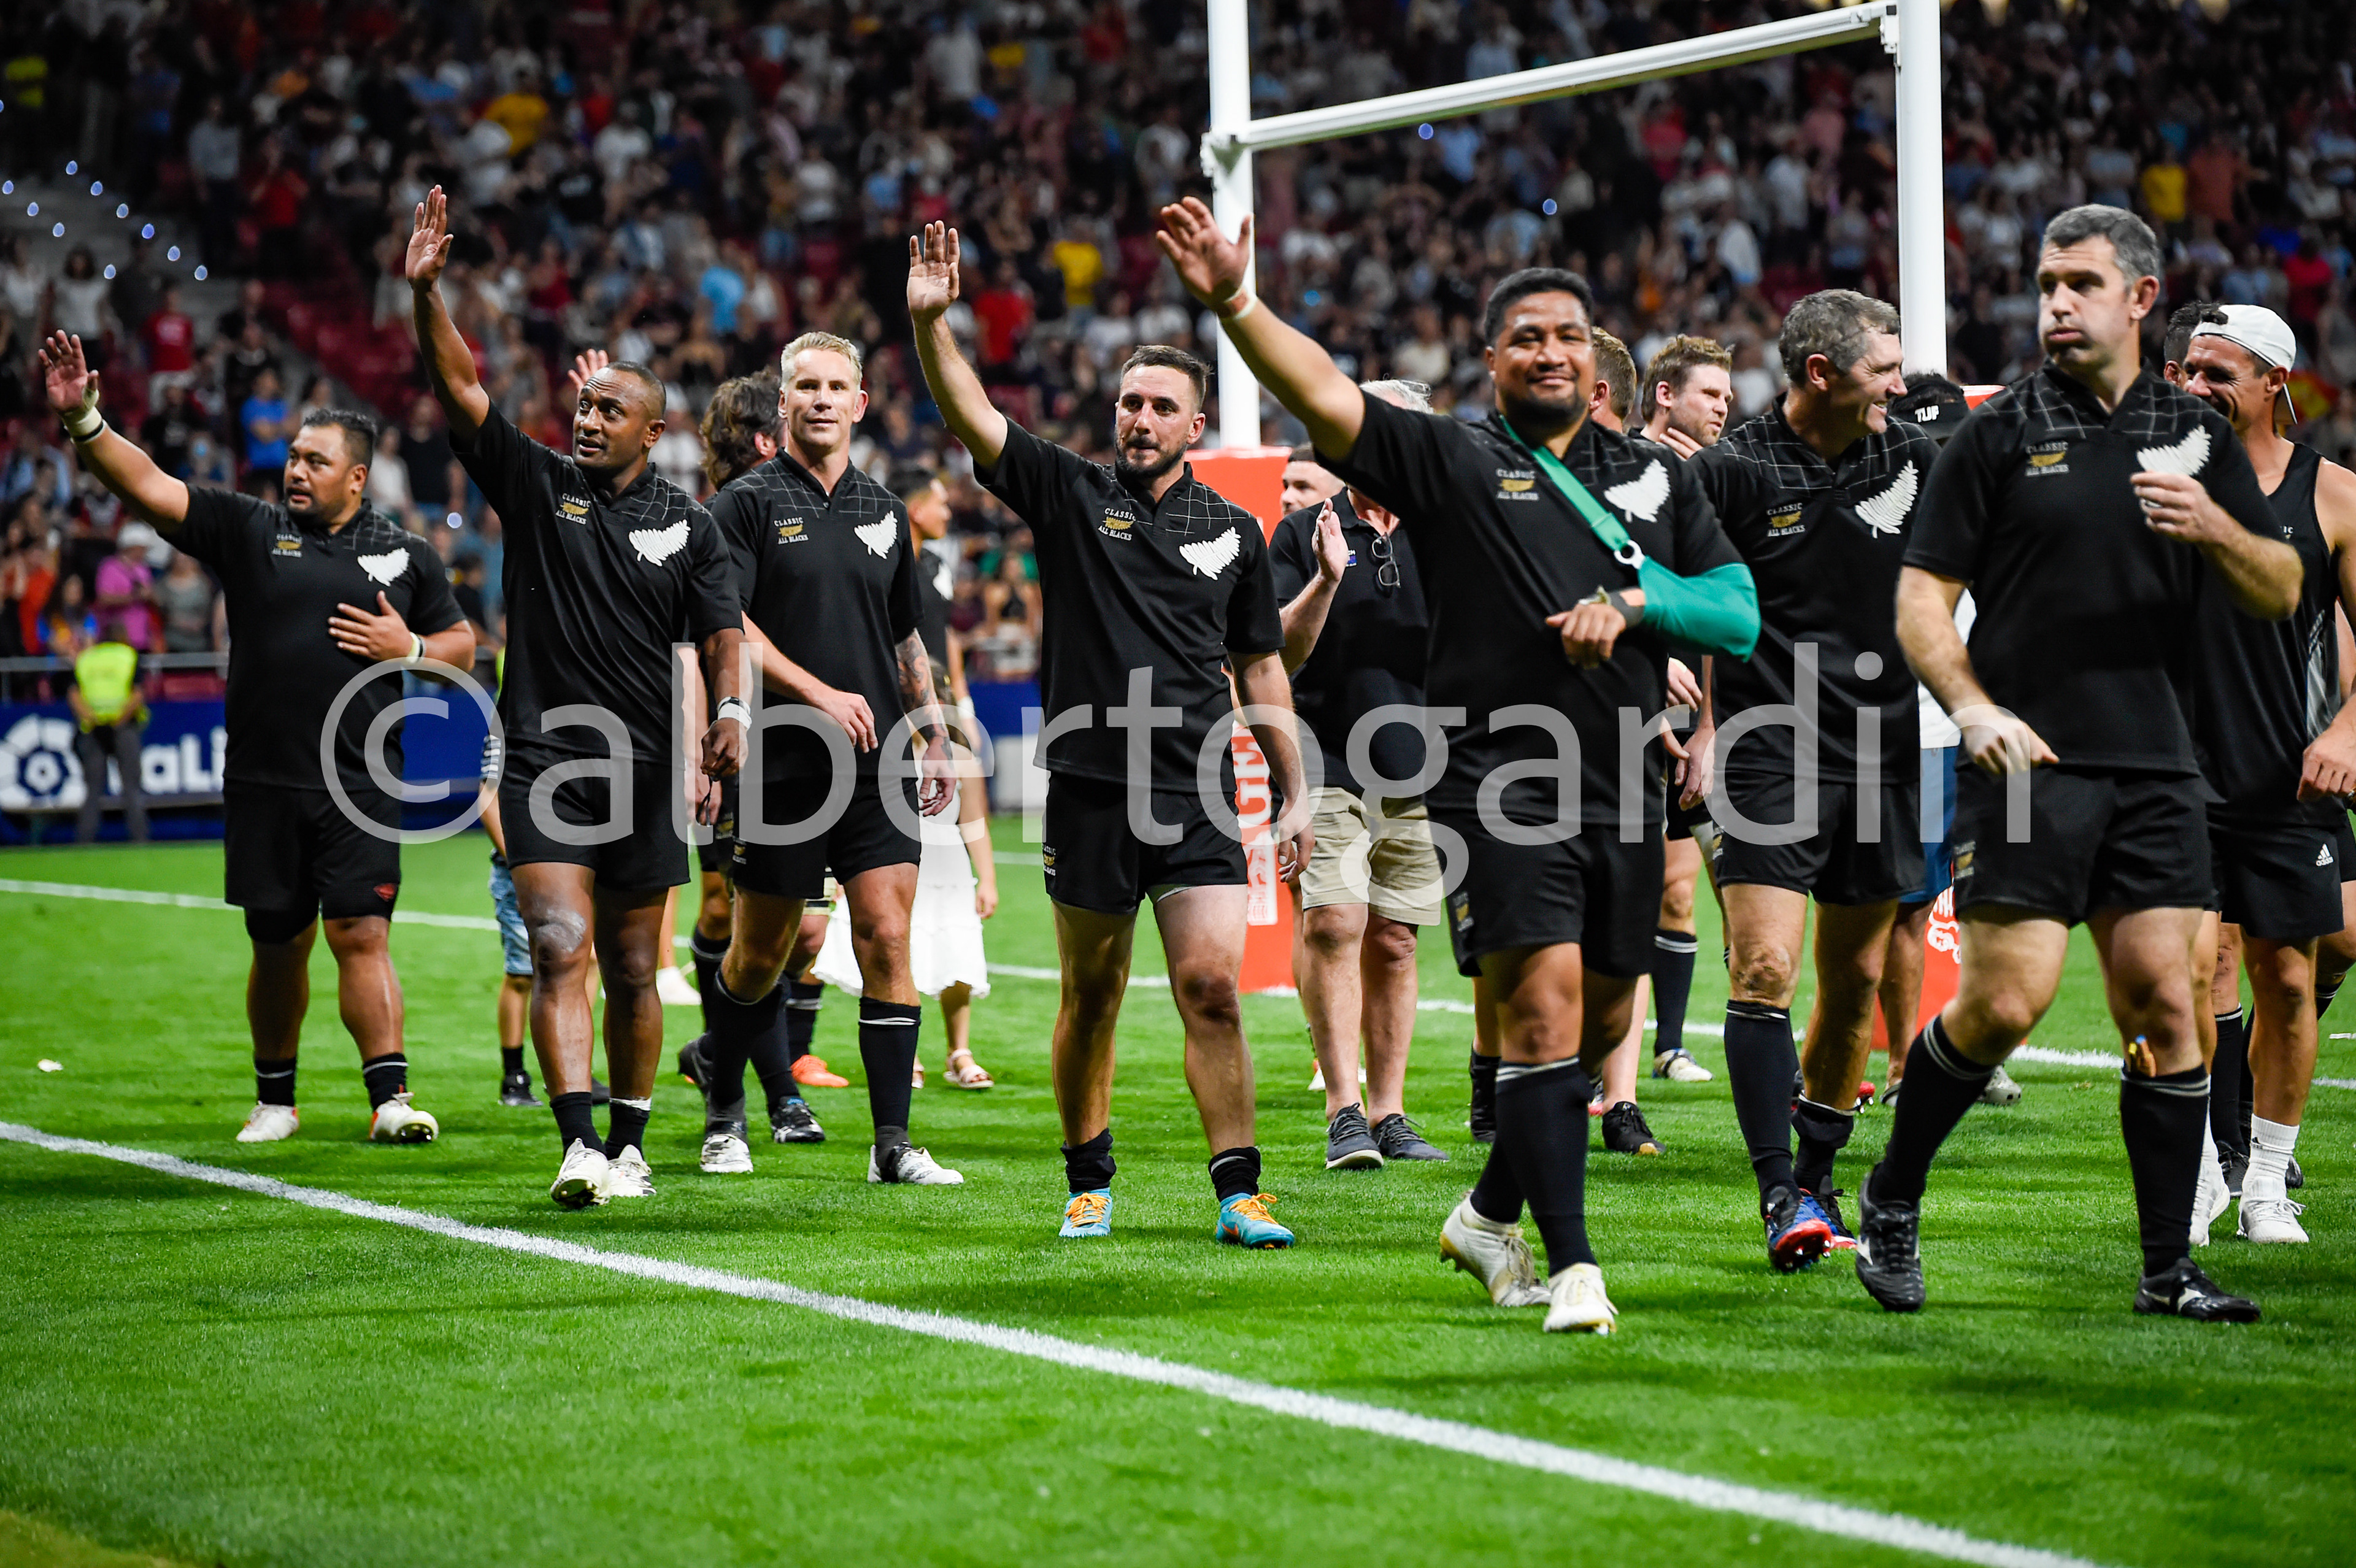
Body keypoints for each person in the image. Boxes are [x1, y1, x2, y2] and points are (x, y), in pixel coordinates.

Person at [1157, 199, 1759, 1331]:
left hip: (1620, 781)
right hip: (1496, 779)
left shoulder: (1658, 481)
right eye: (1525, 336)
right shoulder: (1450, 459)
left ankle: (1485, 1213)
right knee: (1539, 1016)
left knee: (1600, 1025)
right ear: (1491, 361)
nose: (1549, 351)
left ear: (1596, 362)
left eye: (1567, 334)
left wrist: (1637, 605)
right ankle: (1572, 1267)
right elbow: (1325, 393)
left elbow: (1736, 612)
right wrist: (1236, 300)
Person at [1873, 205, 2294, 1321]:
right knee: (2005, 1003)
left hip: (2159, 765)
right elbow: (1920, 603)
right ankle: (1893, 1193)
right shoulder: (1999, 434)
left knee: (2167, 1003)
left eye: (2081, 283)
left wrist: (2220, 530)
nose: (2056, 303)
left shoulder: (2195, 434)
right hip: (2028, 765)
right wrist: (1972, 708)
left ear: (2142, 297)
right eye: (2046, 284)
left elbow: (2281, 587)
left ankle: (2167, 1269)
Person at [909, 221, 1311, 1247]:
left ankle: (1240, 1192)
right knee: (1093, 993)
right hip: (1091, 786)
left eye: (1161, 406)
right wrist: (930, 325)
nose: (1140, 419)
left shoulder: (1236, 531)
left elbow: (1260, 668)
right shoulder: (1071, 492)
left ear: (1196, 424)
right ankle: (1088, 1181)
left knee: (1211, 989)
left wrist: (1295, 789)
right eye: (1130, 403)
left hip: (1201, 788)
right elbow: (973, 418)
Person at [37, 329, 471, 1145]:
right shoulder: (248, 527)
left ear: (357, 476)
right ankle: (276, 1101)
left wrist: (409, 647)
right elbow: (151, 489)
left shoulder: (405, 554)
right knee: (277, 945)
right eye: (294, 457)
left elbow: (463, 646)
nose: (295, 469)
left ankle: (391, 1100)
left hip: (360, 784)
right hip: (265, 781)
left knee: (362, 933)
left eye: (315, 461)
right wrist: (85, 421)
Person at [409, 187, 747, 1209]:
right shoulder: (537, 485)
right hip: (545, 762)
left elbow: (722, 634)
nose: (588, 420)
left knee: (637, 968)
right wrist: (427, 295)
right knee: (561, 947)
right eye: (585, 408)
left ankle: (632, 1145)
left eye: (609, 412)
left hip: (643, 769)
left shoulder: (689, 524)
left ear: (653, 432)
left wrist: (729, 716)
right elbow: (463, 389)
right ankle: (577, 1143)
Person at [1690, 291, 1941, 1270]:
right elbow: (1686, 590)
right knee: (1762, 968)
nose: (1900, 385)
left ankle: (1819, 1172)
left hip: (1883, 753)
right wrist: (1700, 723)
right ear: (1823, 374)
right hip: (1768, 746)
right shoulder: (1733, 470)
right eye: (1884, 369)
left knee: (1855, 985)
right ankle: (1777, 1195)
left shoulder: (1916, 458)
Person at [694, 332, 963, 1186]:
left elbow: (905, 635)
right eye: (804, 386)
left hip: (878, 764)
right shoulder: (743, 504)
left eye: (835, 386)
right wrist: (819, 693)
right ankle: (725, 1114)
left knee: (888, 936)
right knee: (761, 953)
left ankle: (892, 1145)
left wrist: (934, 733)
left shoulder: (886, 511)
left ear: (859, 402)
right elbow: (730, 626)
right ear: (783, 404)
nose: (820, 399)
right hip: (782, 763)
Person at [2174, 303, 2356, 1246]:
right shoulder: (2153, 484)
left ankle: (2267, 1187)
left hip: (2290, 778)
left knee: (2288, 980)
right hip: (2175, 774)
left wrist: (2348, 734)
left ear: (2275, 381)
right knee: (2195, 975)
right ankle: (2206, 1171)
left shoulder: (2335, 496)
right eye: (2187, 370)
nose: (2196, 386)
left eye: (2219, 372)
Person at [1271, 378, 1449, 1170]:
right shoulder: (1301, 533)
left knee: (1399, 941)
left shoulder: (1447, 533)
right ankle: (1344, 1108)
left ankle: (1391, 1112)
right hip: (1322, 758)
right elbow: (1275, 654)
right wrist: (1325, 579)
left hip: (1420, 764)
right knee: (1334, 923)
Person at [676, 369, 844, 1147]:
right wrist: (702, 745)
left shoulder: (814, 512)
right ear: (764, 439)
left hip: (806, 752)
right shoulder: (725, 519)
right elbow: (699, 648)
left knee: (796, 934)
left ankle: (717, 1054)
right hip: (743, 749)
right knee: (740, 919)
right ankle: (776, 1094)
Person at [1873, 374, 2012, 1111]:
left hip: (1985, 731)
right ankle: (1902, 1064)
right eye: (1930, 444)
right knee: (1906, 905)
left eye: (1952, 443)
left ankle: (1979, 1048)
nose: (1942, 458)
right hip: (1917, 734)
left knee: (1996, 897)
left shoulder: (1996, 515)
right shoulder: (1879, 523)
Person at [68, 620, 146, 844]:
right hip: (123, 728)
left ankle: (84, 841)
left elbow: (74, 695)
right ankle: (140, 839)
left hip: (93, 729)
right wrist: (118, 721)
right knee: (131, 786)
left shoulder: (87, 658)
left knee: (92, 789)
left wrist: (92, 719)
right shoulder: (128, 656)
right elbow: (137, 695)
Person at [1641, 335, 1734, 457]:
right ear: (1666, 395)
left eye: (1726, 400)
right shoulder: (1620, 462)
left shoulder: (1720, 467)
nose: (1723, 410)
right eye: (1710, 394)